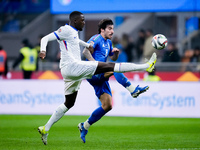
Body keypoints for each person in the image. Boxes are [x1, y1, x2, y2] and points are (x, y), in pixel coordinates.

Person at [37, 11, 157, 145]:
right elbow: (45, 39)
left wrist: (87, 45)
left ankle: (47, 128)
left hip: (74, 71)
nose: (84, 22)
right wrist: (43, 50)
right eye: (82, 20)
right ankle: (145, 67)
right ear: (75, 21)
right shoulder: (66, 29)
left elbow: (78, 42)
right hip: (76, 67)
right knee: (112, 67)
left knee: (73, 103)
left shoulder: (76, 34)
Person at [78, 18, 149, 143]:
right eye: (109, 29)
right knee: (117, 69)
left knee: (107, 106)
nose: (112, 31)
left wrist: (115, 53)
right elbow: (85, 51)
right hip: (92, 72)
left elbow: (113, 58)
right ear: (102, 30)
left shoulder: (109, 43)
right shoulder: (96, 38)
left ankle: (84, 126)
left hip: (101, 75)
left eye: (113, 28)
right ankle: (133, 90)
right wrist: (95, 64)